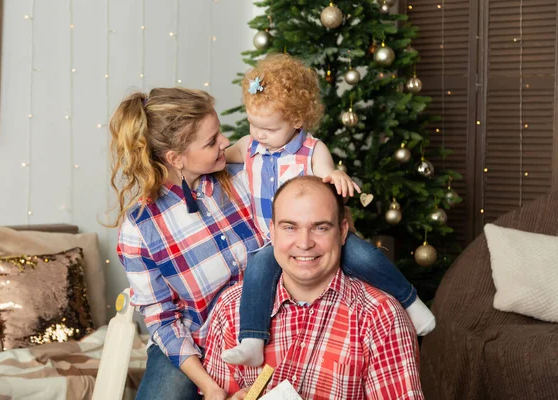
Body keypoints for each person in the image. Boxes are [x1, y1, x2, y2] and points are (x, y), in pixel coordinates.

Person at [222, 53, 435, 367]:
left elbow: (326, 175)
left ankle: (412, 302)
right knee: (257, 273)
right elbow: (219, 159)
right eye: (253, 124)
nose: (259, 134)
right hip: (273, 239)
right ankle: (252, 340)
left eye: (268, 128)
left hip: (316, 234)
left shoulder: (312, 149)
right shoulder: (248, 145)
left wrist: (335, 175)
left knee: (366, 256)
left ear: (296, 120)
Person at [203, 176, 424, 399]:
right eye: (290, 227)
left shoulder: (381, 317)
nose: (305, 243)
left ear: (343, 231)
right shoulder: (231, 308)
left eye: (320, 227)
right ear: (273, 231)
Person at [110, 88, 262, 400]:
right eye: (211, 141)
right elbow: (163, 320)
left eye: (219, 132)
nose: (225, 142)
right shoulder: (139, 228)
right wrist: (209, 385)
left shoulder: (245, 176)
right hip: (194, 344)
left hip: (263, 329)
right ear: (176, 159)